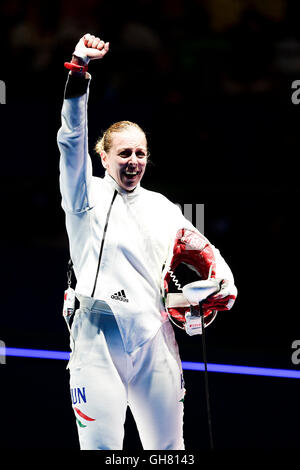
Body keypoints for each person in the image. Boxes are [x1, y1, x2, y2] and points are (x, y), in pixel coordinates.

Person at [57, 33, 237, 450]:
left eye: (139, 153)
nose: (133, 161)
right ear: (103, 158)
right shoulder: (85, 195)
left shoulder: (162, 207)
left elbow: (207, 254)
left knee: (170, 451)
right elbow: (70, 141)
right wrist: (79, 71)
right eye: (123, 154)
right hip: (97, 338)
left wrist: (222, 286)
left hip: (154, 338)